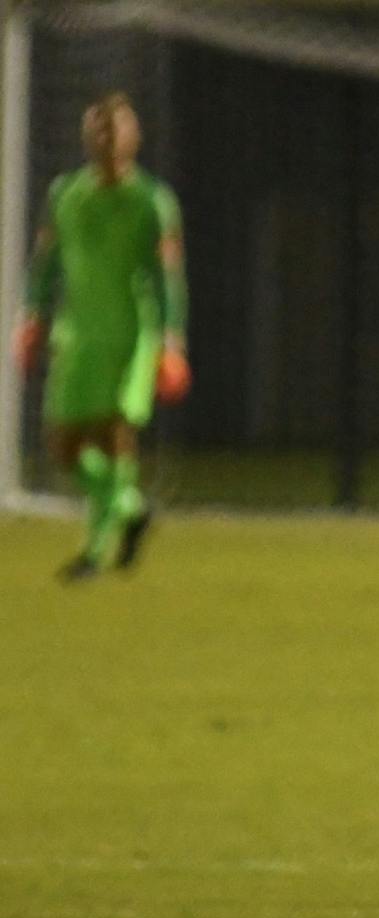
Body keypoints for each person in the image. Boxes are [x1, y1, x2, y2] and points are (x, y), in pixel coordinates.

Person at [12, 91, 190, 581]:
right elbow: (44, 265)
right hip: (78, 332)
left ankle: (95, 549)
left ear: (135, 137)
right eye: (99, 129)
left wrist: (171, 344)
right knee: (63, 444)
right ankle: (130, 509)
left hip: (131, 333)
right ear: (87, 136)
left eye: (116, 129)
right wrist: (31, 317)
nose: (107, 138)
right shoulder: (64, 193)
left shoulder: (152, 200)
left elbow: (168, 278)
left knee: (113, 434)